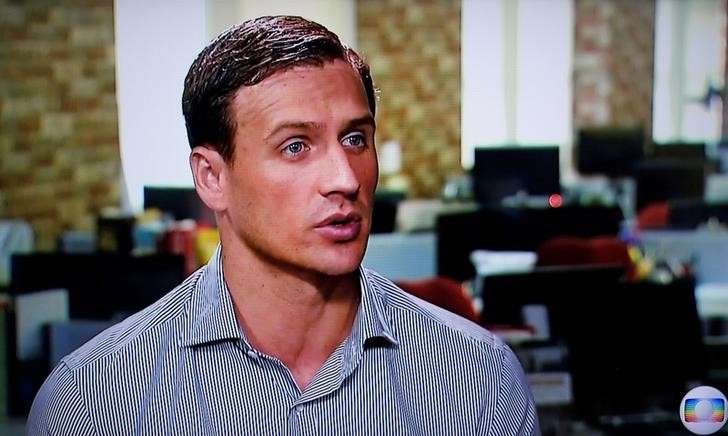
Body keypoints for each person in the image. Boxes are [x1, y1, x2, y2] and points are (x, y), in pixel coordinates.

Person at [28, 16, 539, 435]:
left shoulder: (478, 378)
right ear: (211, 177)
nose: (344, 179)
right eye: (295, 146)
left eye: (356, 140)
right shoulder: (90, 403)